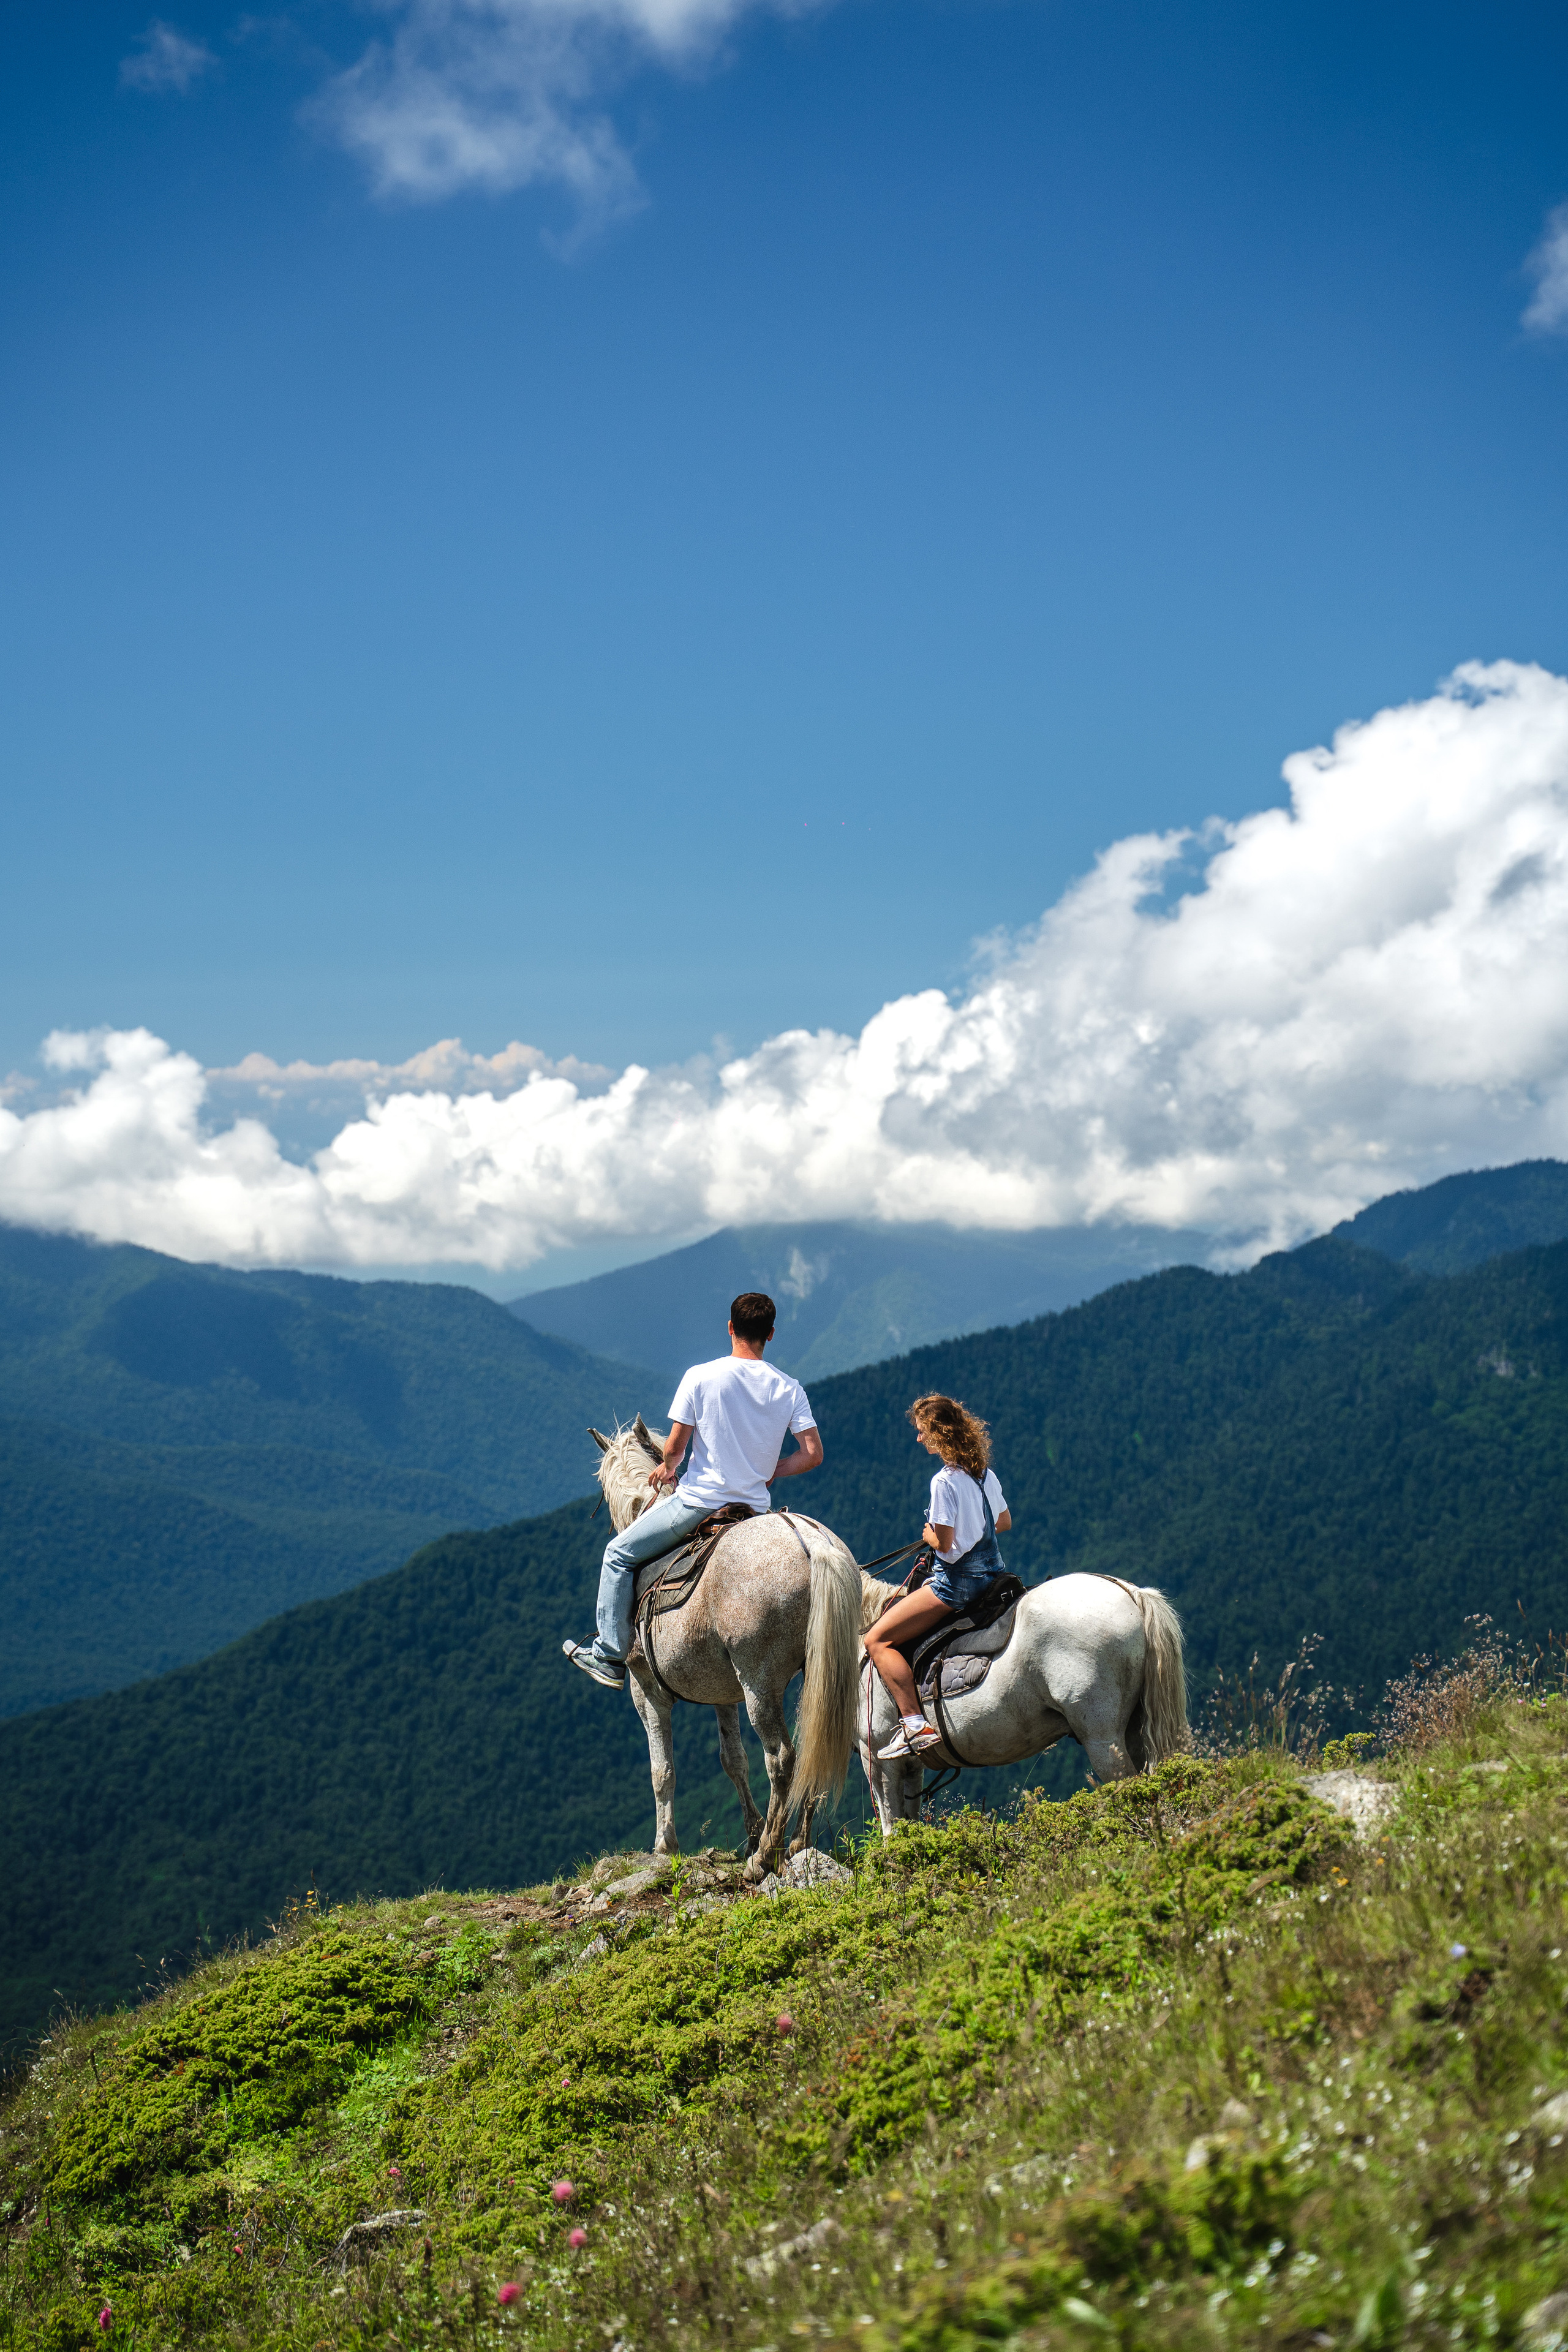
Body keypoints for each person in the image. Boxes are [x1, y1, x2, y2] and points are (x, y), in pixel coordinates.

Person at [562, 1291, 823, 1689]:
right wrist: (774, 1468)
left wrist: (667, 1469)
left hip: (700, 1503)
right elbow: (812, 1454)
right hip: (755, 1510)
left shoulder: (701, 1377)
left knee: (617, 1555)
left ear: (731, 1328)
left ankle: (610, 1654)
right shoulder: (789, 1388)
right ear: (770, 1334)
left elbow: (675, 1448)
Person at [862, 1391, 1012, 1759]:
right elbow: (1004, 1522)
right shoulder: (983, 1474)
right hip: (994, 1577)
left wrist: (929, 1532)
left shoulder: (944, 1482)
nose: (919, 1438)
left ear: (940, 1432)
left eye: (922, 1431)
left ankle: (914, 1725)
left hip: (956, 1587)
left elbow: (944, 1546)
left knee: (876, 1640)